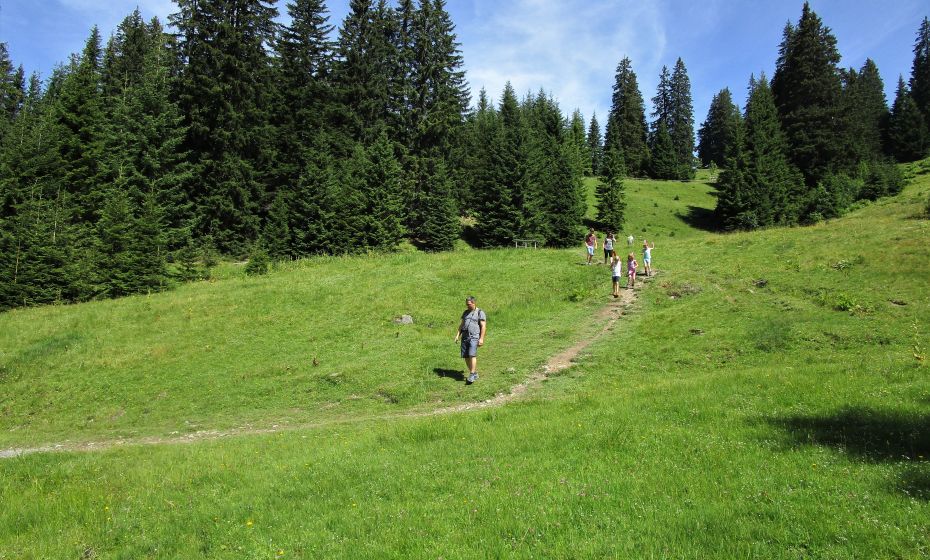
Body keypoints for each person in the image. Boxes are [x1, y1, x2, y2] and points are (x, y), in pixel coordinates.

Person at [454, 296, 486, 384]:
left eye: (469, 304)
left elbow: (483, 326)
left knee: (472, 354)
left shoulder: (480, 312)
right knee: (466, 356)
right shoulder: (465, 312)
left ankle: (471, 374)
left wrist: (481, 339)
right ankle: (474, 373)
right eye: (466, 304)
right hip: (464, 337)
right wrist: (457, 335)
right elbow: (462, 325)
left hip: (474, 337)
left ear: (473, 303)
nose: (467, 306)